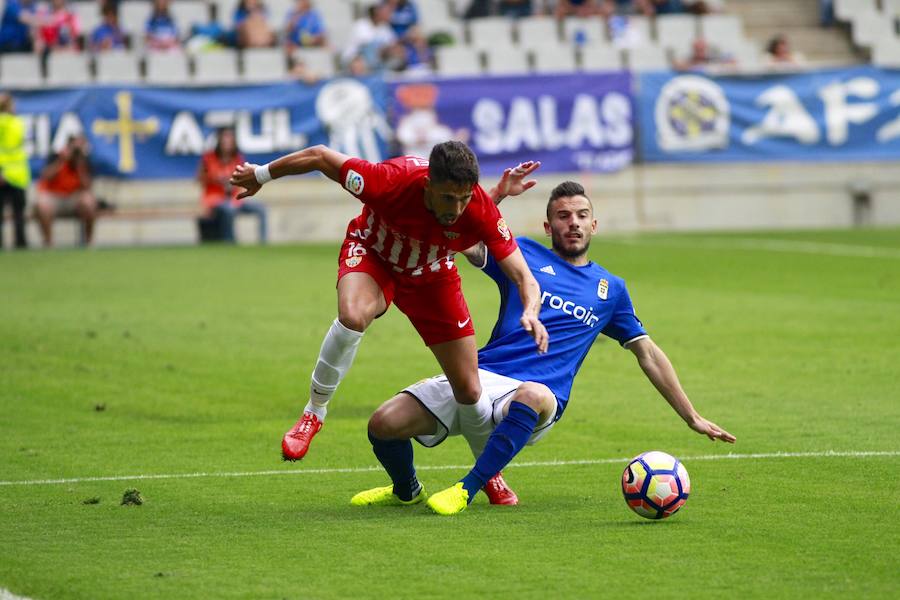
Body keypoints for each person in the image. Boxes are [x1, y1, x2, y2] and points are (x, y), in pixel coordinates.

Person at [348, 180, 736, 514]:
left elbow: (647, 352)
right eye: (565, 217)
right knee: (383, 424)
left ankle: (468, 487)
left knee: (533, 393)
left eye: (582, 215)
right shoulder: (523, 255)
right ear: (549, 225)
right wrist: (496, 195)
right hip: (480, 375)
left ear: (594, 225)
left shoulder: (610, 290)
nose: (574, 223)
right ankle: (406, 491)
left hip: (541, 396)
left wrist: (691, 416)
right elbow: (458, 234)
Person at [229, 144, 548, 499]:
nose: (456, 209)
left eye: (463, 199)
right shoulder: (388, 181)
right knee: (353, 316)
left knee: (470, 390)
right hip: (374, 255)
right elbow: (319, 156)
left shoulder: (478, 208)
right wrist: (260, 175)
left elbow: (525, 278)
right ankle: (313, 413)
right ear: (427, 184)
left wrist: (531, 310)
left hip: (431, 275)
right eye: (447, 198)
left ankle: (488, 473)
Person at [197, 126, 268, 243]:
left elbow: (241, 177)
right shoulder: (209, 158)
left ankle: (263, 243)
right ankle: (230, 242)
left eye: (230, 138)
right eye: (224, 138)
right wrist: (218, 180)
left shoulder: (237, 158)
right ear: (219, 140)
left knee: (260, 209)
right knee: (228, 210)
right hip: (215, 199)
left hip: (235, 198)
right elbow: (202, 178)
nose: (227, 142)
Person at [34, 134, 97, 247]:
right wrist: (62, 160)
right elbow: (45, 176)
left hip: (74, 197)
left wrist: (79, 165)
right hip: (54, 196)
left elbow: (87, 186)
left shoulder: (84, 160)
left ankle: (89, 242)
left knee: (89, 201)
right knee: (42, 204)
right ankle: (48, 243)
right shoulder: (56, 156)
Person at [0, 93, 30, 250]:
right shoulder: (18, 123)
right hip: (17, 175)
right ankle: (21, 244)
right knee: (19, 214)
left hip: (4, 172)